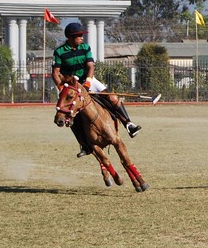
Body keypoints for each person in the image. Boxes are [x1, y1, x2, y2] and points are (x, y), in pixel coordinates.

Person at [52, 22, 141, 158]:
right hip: (70, 86)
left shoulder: (85, 47)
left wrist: (88, 82)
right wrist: (61, 87)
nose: (82, 37)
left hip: (87, 81)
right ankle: (84, 145)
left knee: (112, 97)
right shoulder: (59, 52)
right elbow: (55, 72)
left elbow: (90, 66)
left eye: (82, 35)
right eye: (79, 36)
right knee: (71, 115)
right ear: (70, 37)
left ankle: (128, 124)